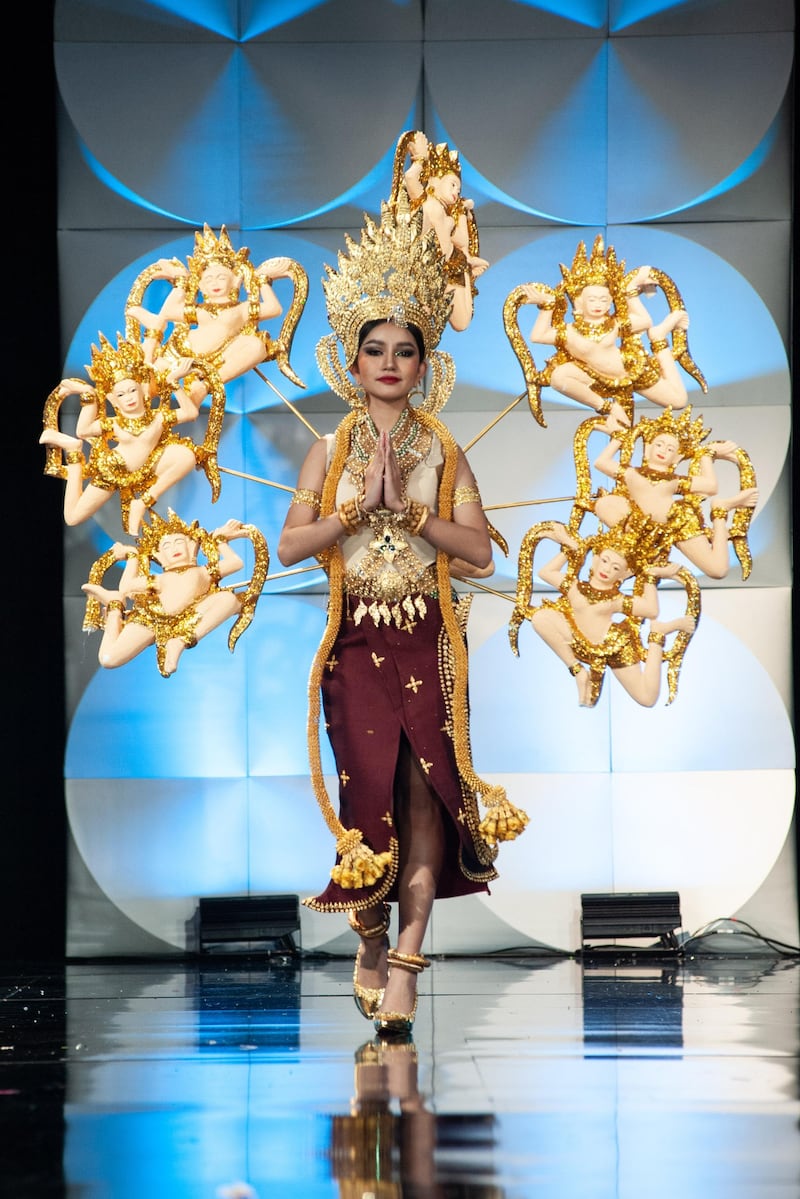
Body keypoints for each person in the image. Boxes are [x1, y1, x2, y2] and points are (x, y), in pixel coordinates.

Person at [278, 195, 527, 1039]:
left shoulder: (447, 451)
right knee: (369, 802)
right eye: (375, 349)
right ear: (351, 360)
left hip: (429, 635)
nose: (390, 362)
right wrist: (359, 509)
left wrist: (411, 512)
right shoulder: (330, 449)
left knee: (430, 799)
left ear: (426, 365)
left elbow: (483, 552)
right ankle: (373, 931)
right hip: (355, 644)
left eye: (406, 350)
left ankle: (410, 967)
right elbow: (289, 546)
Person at [505, 235, 706, 428]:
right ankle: (606, 406)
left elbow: (644, 321)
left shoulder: (612, 324)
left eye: (604, 300)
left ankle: (659, 338)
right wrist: (548, 306)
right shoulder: (568, 332)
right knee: (558, 377)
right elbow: (538, 336)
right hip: (597, 379)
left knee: (679, 399)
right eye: (592, 300)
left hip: (631, 370)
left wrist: (629, 291)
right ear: (579, 302)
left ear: (611, 301)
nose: (598, 305)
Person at [39, 333, 223, 536]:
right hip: (113, 470)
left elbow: (190, 413)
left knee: (187, 455)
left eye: (132, 391)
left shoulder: (159, 417)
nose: (128, 398)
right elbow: (83, 431)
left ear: (142, 391)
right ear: (113, 400)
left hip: (145, 468)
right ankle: (73, 452)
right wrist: (88, 395)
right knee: (72, 517)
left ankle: (141, 503)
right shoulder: (115, 424)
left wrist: (174, 382)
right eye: (121, 395)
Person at [511, 520, 696, 708]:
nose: (607, 569)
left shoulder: (615, 599)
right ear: (595, 559)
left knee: (647, 698)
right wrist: (570, 547)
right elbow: (546, 572)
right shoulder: (575, 587)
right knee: (540, 617)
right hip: (579, 641)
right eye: (605, 561)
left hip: (612, 645)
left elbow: (651, 610)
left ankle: (659, 633)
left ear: (624, 574)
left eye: (616, 568)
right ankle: (578, 672)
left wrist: (650, 575)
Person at [125, 223, 308, 401]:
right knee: (145, 391)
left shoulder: (241, 309)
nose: (215, 283)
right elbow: (168, 312)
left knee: (257, 346)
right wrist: (181, 281)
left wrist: (262, 282)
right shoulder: (201, 310)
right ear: (201, 285)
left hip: (217, 359)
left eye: (221, 277)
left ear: (235, 280)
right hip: (180, 353)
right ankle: (151, 342)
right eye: (209, 279)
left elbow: (273, 308)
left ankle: (206, 386)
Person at [81, 512, 267, 677]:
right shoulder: (160, 579)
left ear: (192, 546)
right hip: (152, 620)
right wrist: (132, 557)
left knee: (229, 600)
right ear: (159, 555)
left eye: (179, 542)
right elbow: (127, 587)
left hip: (187, 621)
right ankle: (114, 606)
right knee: (109, 658)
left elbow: (235, 563)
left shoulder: (203, 572)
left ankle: (179, 642)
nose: (174, 548)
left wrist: (220, 540)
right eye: (167, 546)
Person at [592, 407, 759, 580]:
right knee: (603, 504)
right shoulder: (632, 473)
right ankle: (647, 554)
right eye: (659, 444)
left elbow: (710, 486)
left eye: (670, 449)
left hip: (677, 522)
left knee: (717, 570)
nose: (663, 450)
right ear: (648, 448)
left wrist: (706, 455)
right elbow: (601, 462)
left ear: (677, 457)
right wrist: (619, 436)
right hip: (643, 527)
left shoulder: (675, 480)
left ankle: (720, 510)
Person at [393, 131, 489, 332]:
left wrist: (463, 213)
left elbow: (462, 242)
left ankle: (466, 277)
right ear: (435, 182)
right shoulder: (425, 201)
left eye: (459, 189)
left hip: (450, 269)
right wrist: (420, 158)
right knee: (420, 322)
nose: (456, 191)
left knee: (462, 323)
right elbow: (410, 177)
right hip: (426, 269)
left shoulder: (449, 218)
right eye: (453, 185)